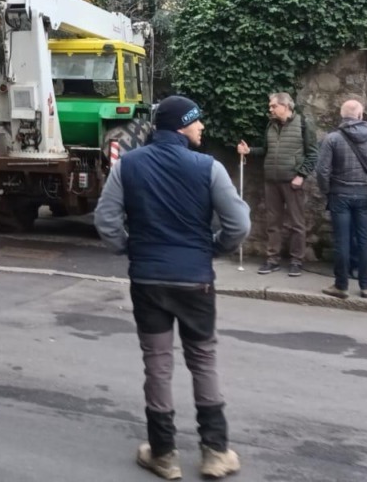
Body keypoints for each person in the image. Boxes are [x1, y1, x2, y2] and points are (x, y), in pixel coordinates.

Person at [94, 95, 247, 480]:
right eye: (196, 121)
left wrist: (129, 247)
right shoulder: (209, 168)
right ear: (181, 125)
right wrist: (213, 249)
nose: (202, 127)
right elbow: (239, 225)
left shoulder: (127, 165)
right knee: (203, 360)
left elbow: (106, 220)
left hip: (148, 279)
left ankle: (163, 454)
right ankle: (215, 452)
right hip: (195, 280)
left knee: (157, 363)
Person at [315, 99, 367, 299]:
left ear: (342, 115)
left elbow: (322, 170)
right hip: (364, 193)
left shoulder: (332, 138)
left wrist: (327, 190)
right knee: (365, 240)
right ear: (360, 115)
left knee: (342, 240)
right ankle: (366, 286)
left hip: (339, 194)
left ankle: (341, 285)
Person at [236, 92, 318, 277]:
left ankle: (296, 261)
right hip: (271, 181)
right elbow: (266, 150)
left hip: (293, 181)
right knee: (273, 223)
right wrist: (249, 151)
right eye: (270, 106)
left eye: (273, 106)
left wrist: (301, 175)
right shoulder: (270, 126)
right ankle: (273, 260)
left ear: (285, 106)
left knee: (297, 223)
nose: (270, 109)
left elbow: (313, 154)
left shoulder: (303, 124)